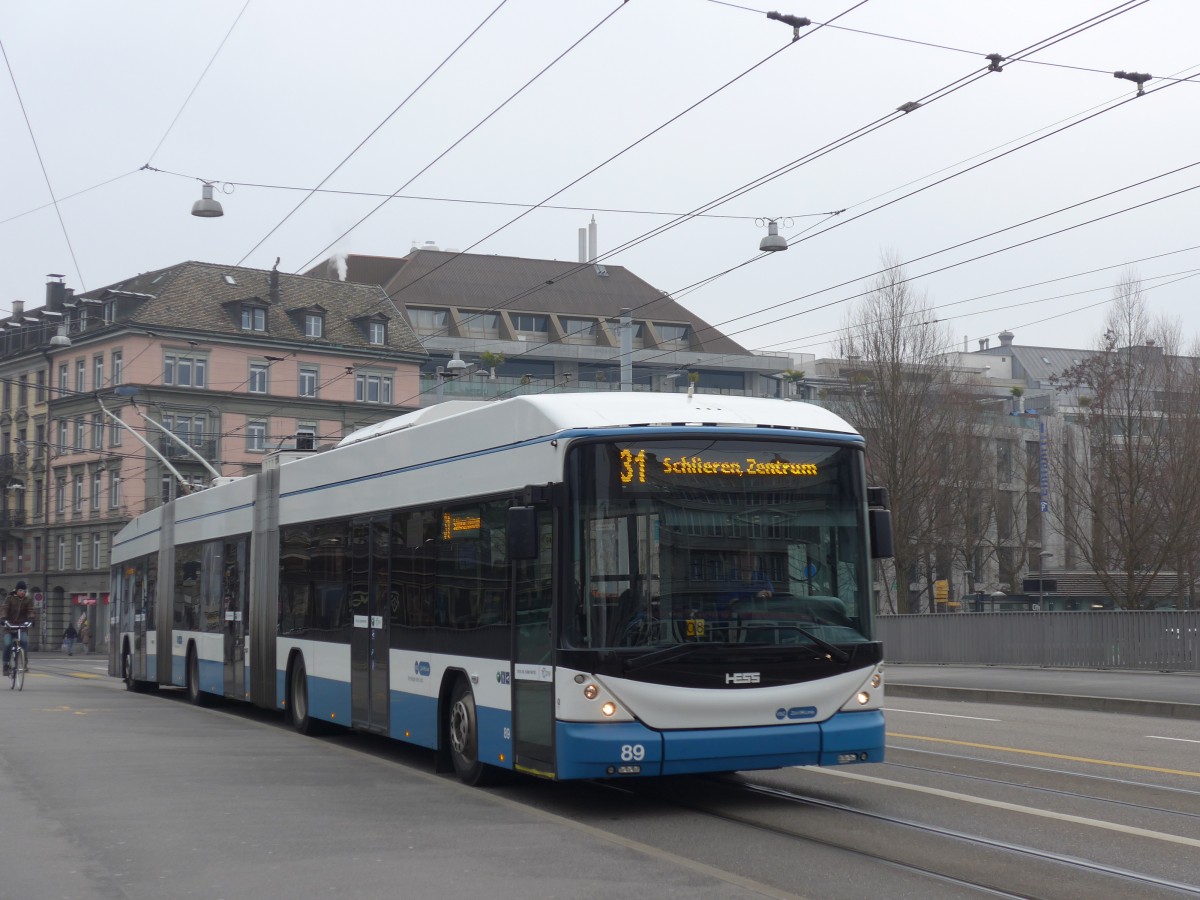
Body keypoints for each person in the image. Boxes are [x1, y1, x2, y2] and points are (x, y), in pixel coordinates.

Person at [2, 581, 35, 676]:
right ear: (16, 590)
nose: (22, 592)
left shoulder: (28, 600)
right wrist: (3, 618)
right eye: (20, 590)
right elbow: (4, 609)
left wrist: (31, 619)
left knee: (24, 641)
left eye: (24, 591)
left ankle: (24, 662)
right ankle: (5, 664)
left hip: (22, 627)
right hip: (9, 627)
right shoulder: (9, 598)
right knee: (7, 643)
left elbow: (31, 610)